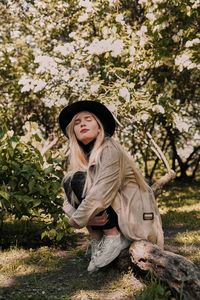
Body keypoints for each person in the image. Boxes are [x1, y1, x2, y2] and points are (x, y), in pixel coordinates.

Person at [58, 100, 164, 273]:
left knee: (78, 180)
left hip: (134, 219)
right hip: (115, 211)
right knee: (70, 179)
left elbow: (101, 195)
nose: (82, 123)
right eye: (77, 122)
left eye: (88, 119)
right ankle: (97, 239)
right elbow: (66, 202)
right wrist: (85, 218)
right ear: (73, 132)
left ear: (99, 127)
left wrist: (76, 221)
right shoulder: (83, 157)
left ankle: (112, 236)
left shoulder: (109, 148)